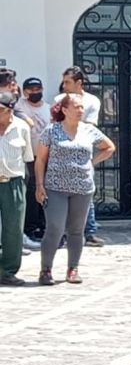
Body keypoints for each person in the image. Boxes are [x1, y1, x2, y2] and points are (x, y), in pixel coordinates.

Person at [35, 93, 116, 285]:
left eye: (82, 107)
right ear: (64, 110)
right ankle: (45, 269)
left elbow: (109, 147)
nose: (81, 110)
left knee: (76, 230)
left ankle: (73, 268)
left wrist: (92, 162)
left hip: (83, 187)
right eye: (77, 107)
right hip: (55, 187)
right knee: (54, 227)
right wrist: (39, 185)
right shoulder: (51, 131)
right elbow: (41, 159)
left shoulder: (89, 130)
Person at [53, 67, 105, 247]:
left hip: (82, 148)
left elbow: (89, 126)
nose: (64, 85)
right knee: (61, 193)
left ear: (79, 83)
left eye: (68, 82)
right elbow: (56, 123)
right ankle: (61, 233)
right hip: (62, 149)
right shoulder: (59, 99)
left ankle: (89, 231)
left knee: (85, 191)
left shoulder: (92, 100)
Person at [0, 92, 34, 285]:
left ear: (9, 110)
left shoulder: (21, 128)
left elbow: (27, 158)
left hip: (13, 181)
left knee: (13, 228)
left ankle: (8, 271)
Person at [15, 76, 51, 245]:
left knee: (46, 192)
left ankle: (44, 226)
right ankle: (29, 228)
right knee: (30, 192)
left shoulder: (49, 109)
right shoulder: (19, 106)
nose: (35, 92)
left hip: (45, 156)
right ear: (25, 91)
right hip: (27, 157)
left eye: (38, 89)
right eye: (31, 89)